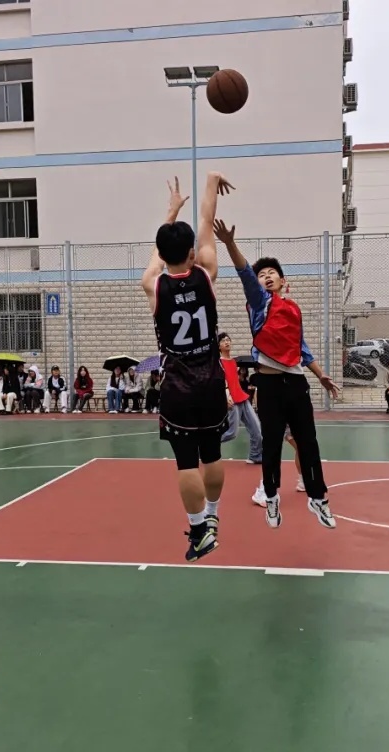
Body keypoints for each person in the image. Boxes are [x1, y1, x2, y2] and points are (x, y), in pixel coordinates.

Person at [215, 216, 341, 531]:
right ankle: (271, 497)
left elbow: (302, 348)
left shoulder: (294, 310)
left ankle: (318, 498)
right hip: (269, 384)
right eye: (262, 275)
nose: (266, 276)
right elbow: (244, 272)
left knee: (308, 442)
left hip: (296, 382)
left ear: (283, 281)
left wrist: (321, 375)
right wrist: (230, 244)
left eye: (272, 273)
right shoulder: (259, 303)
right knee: (271, 443)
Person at [143, 176, 232, 561]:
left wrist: (171, 211)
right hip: (211, 380)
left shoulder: (153, 285)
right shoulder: (206, 274)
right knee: (211, 454)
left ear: (164, 255)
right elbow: (208, 222)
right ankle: (212, 516)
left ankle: (199, 530)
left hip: (178, 387)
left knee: (186, 462)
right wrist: (210, 184)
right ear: (192, 253)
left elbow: (158, 257)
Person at [218, 336, 263, 465]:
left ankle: (255, 456)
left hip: (243, 398)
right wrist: (226, 396)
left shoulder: (233, 362)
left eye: (228, 340)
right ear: (219, 346)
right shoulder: (218, 363)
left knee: (257, 429)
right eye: (223, 341)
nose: (227, 342)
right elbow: (221, 382)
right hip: (232, 400)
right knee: (231, 433)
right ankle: (206, 444)